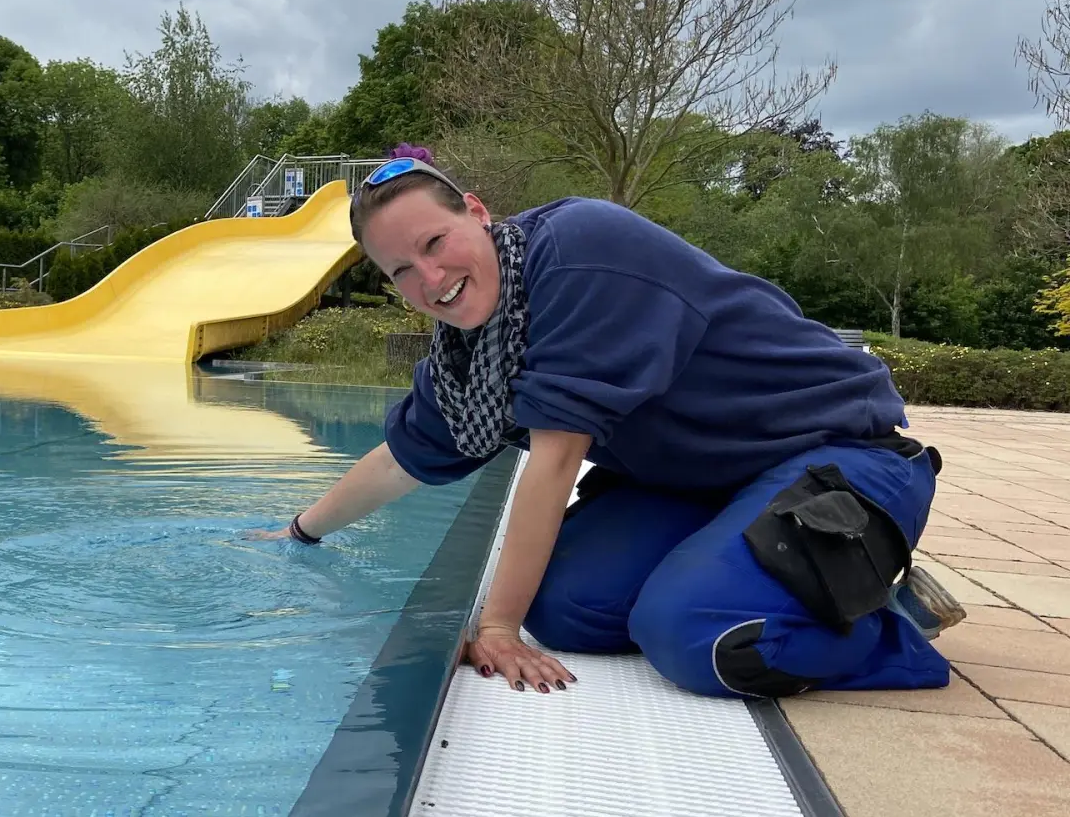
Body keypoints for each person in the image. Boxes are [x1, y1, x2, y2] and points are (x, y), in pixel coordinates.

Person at [250, 146, 966, 700]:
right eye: (402, 271)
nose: (430, 280)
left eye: (435, 243)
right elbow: (400, 458)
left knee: (690, 633)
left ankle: (887, 623)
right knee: (565, 610)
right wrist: (299, 531)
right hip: (697, 486)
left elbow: (553, 462)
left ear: (476, 210)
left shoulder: (580, 252)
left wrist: (496, 627)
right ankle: (767, 572)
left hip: (837, 456)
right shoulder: (471, 355)